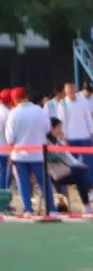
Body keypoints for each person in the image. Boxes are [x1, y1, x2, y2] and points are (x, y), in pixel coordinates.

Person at [4, 88, 55, 216]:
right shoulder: (40, 110)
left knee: (23, 182)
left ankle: (28, 209)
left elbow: (10, 137)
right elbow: (47, 129)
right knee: (44, 182)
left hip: (20, 154)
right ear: (27, 96)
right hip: (38, 153)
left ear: (15, 99)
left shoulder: (13, 113)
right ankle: (52, 209)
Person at [45, 118, 93, 214]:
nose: (61, 130)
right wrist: (62, 146)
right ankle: (90, 196)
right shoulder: (46, 142)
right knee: (80, 172)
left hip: (63, 170)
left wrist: (78, 164)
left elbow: (67, 157)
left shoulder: (56, 141)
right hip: (53, 173)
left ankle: (88, 201)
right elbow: (57, 156)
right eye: (59, 127)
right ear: (52, 128)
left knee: (81, 171)